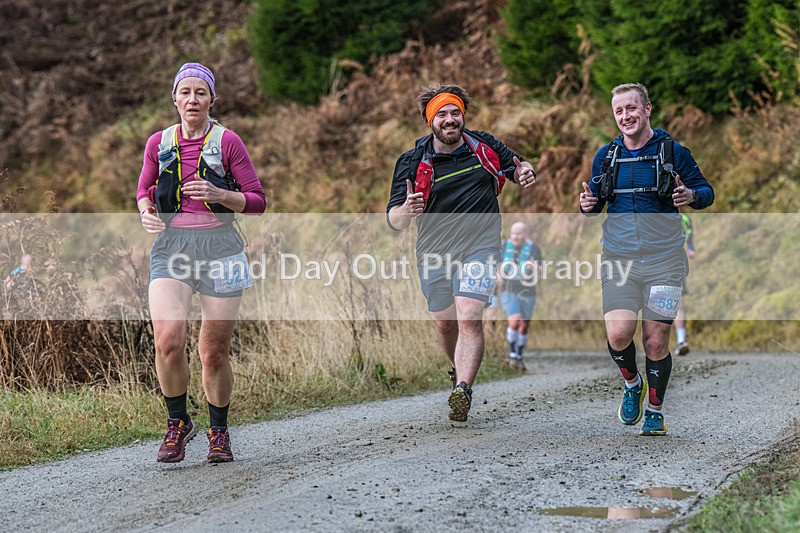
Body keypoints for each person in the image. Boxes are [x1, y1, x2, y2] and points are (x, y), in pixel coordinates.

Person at [136, 62, 266, 463]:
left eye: (201, 93)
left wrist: (218, 192)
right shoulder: (159, 142)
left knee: (213, 351)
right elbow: (144, 187)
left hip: (221, 247)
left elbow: (257, 202)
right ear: (174, 98)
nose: (193, 100)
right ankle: (178, 423)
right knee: (168, 340)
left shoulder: (228, 142)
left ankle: (219, 431)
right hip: (171, 247)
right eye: (185, 92)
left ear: (212, 100)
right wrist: (145, 210)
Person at [387, 84, 536, 422]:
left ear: (463, 116)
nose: (450, 119)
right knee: (445, 323)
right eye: (442, 114)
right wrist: (406, 211)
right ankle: (458, 371)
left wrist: (525, 171)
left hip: (480, 246)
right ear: (431, 121)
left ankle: (463, 390)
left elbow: (517, 166)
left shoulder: (484, 145)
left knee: (469, 315)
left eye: (455, 112)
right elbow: (392, 220)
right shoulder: (412, 162)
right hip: (434, 252)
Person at [579, 83, 713, 436]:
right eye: (619, 111)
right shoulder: (606, 156)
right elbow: (595, 201)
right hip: (619, 259)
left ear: (647, 108)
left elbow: (706, 191)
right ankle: (632, 384)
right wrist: (587, 206)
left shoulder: (672, 151)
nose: (625, 116)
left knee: (655, 342)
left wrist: (690, 195)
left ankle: (655, 409)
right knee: (619, 333)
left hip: (665, 260)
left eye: (631, 108)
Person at [498, 221, 542, 371]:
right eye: (513, 233)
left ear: (525, 234)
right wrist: (498, 274)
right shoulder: (504, 246)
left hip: (528, 290)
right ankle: (512, 355)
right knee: (514, 320)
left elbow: (541, 268)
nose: (516, 237)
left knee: (524, 325)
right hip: (509, 289)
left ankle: (519, 354)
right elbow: (495, 264)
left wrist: (534, 267)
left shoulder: (533, 248)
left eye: (519, 233)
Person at [675, 213, 695, 355]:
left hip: (676, 263)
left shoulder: (685, 219)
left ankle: (681, 341)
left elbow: (689, 235)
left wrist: (691, 248)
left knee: (678, 303)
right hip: (651, 263)